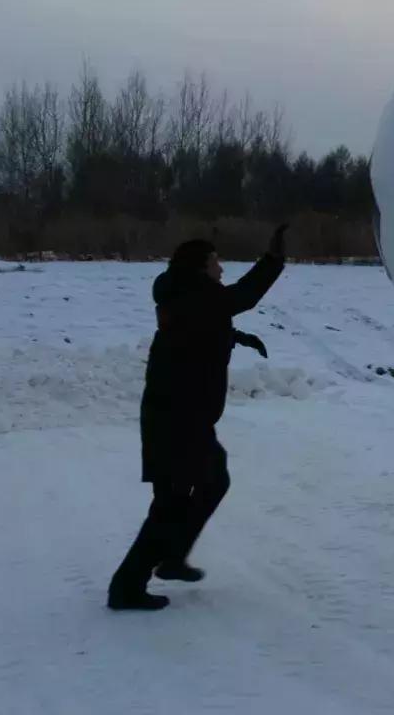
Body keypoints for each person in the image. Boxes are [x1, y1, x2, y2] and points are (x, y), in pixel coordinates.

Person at [107, 224, 288, 611]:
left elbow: (202, 325)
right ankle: (129, 585)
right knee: (174, 501)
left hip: (178, 415)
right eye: (216, 262)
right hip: (177, 417)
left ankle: (168, 559)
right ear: (200, 266)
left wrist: (236, 336)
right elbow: (242, 295)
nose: (221, 269)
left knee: (207, 482)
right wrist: (273, 260)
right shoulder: (198, 296)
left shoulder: (186, 296)